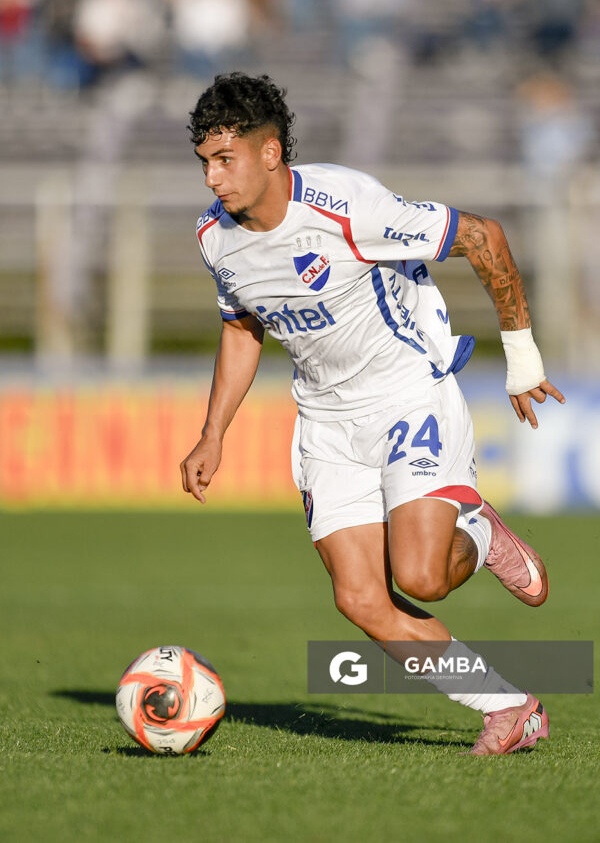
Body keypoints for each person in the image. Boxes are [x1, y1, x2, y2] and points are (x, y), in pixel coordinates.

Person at [180, 72, 566, 756]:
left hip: (407, 397)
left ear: (270, 153)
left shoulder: (347, 205)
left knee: (421, 577)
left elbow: (483, 236)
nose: (212, 178)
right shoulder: (217, 239)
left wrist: (523, 356)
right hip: (325, 424)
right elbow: (243, 327)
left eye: (224, 159)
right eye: (205, 161)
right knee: (360, 602)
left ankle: (477, 534)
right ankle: (511, 710)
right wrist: (213, 433)